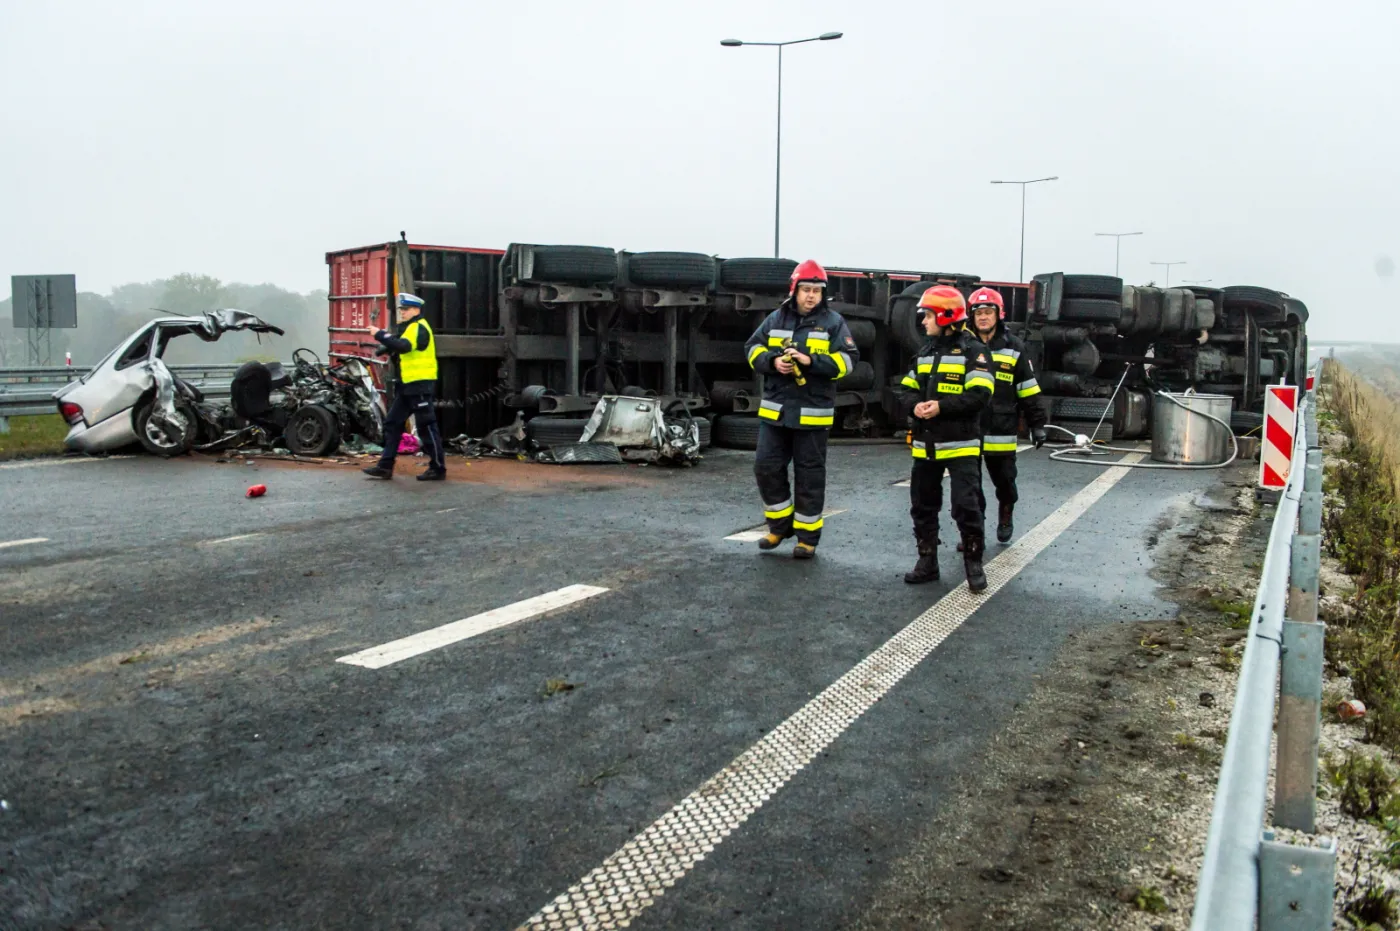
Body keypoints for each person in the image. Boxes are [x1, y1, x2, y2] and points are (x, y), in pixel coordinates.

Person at [742, 260, 859, 559]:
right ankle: (780, 526)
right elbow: (752, 347)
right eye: (806, 290)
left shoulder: (834, 323)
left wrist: (811, 362)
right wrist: (772, 362)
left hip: (812, 415)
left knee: (809, 477)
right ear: (794, 290)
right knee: (766, 468)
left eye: (817, 291)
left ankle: (807, 537)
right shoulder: (775, 318)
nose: (811, 296)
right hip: (776, 412)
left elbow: (848, 361)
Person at [897, 285, 995, 591]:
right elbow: (906, 389)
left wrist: (940, 407)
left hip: (961, 446)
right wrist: (915, 405)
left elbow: (980, 395)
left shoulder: (974, 352)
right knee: (923, 506)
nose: (923, 322)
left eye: (927, 315)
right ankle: (927, 562)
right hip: (925, 447)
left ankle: (974, 566)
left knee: (966, 507)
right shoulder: (924, 353)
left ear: (945, 316)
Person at [967, 286, 1047, 543]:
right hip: (969, 429)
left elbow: (1028, 389)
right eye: (978, 312)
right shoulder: (963, 345)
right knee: (969, 486)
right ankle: (974, 529)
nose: (983, 317)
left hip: (1001, 429)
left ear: (998, 314)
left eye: (988, 311)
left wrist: (1037, 425)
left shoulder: (1014, 347)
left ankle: (1006, 514)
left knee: (1005, 483)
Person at [362, 292, 447, 481]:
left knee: (426, 427)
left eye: (406, 310)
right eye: (401, 310)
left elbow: (405, 346)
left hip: (419, 385)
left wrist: (380, 335)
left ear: (416, 310)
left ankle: (438, 468)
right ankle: (385, 466)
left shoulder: (418, 327)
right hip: (408, 386)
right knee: (393, 423)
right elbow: (401, 344)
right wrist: (387, 343)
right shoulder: (410, 327)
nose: (403, 313)